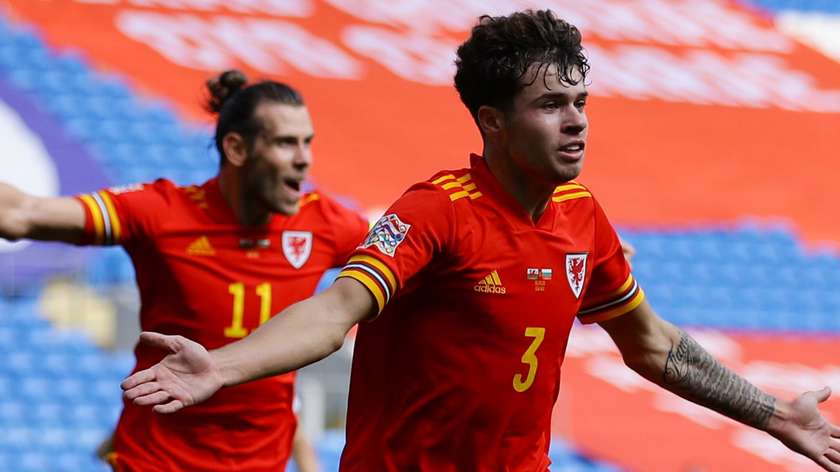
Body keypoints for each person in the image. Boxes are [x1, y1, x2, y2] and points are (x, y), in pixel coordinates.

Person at [120, 11, 840, 472]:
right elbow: (336, 310)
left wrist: (775, 416)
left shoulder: (582, 217)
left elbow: (652, 345)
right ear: (492, 121)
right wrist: (223, 366)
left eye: (580, 102)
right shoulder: (436, 210)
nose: (576, 121)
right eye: (550, 105)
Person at [0, 70, 369, 470]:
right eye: (285, 143)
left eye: (306, 142)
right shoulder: (162, 212)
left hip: (261, 464)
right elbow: (22, 214)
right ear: (236, 148)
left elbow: (405, 265)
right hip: (156, 460)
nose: (304, 159)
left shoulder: (327, 224)